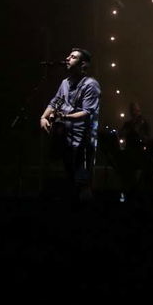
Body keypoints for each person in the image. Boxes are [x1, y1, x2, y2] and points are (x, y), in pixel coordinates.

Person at [40, 49, 101, 200]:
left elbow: (87, 113)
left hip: (82, 142)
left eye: (73, 57)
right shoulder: (65, 83)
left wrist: (64, 116)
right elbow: (55, 101)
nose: (67, 58)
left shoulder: (91, 85)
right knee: (67, 181)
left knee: (83, 184)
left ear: (83, 64)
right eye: (68, 56)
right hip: (65, 141)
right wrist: (43, 117)